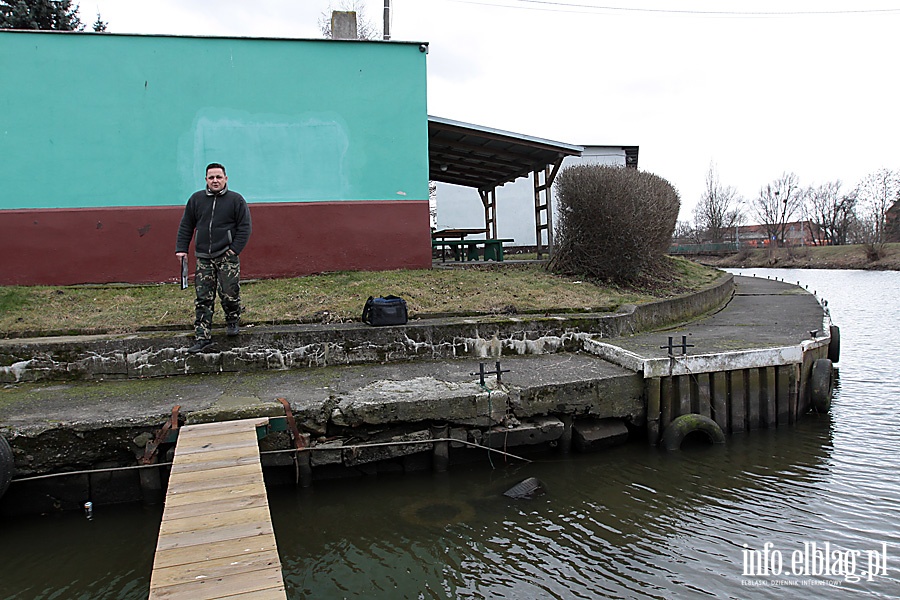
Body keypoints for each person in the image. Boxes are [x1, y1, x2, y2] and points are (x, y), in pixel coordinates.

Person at [176, 163, 252, 353]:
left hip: (226, 255)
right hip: (203, 257)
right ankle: (202, 337)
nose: (215, 181)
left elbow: (245, 227)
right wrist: (181, 249)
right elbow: (186, 225)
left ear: (226, 178)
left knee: (229, 293)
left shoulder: (236, 200)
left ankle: (232, 319)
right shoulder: (196, 199)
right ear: (206, 180)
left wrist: (234, 250)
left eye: (218, 177)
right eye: (211, 178)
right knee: (203, 298)